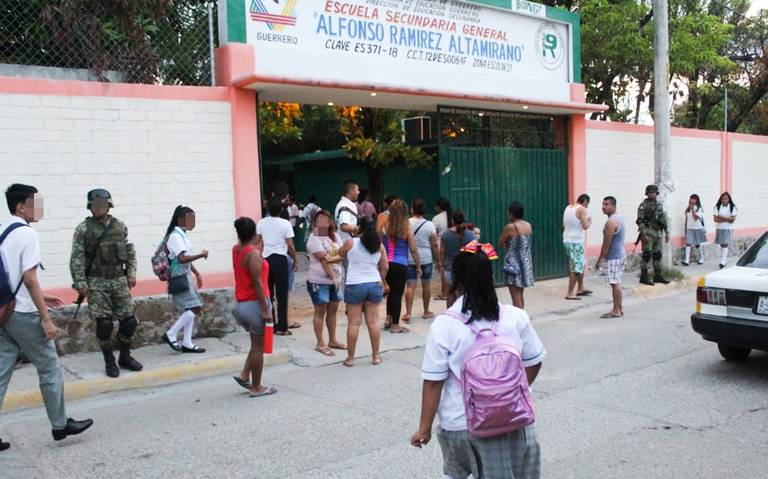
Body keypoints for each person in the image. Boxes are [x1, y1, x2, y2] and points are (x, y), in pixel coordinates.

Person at [410, 245, 545, 479]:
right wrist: (509, 392)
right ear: (490, 277)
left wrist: (424, 428)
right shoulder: (514, 316)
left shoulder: (445, 324)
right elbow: (534, 361)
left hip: (461, 423)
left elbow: (433, 382)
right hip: (513, 416)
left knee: (457, 473)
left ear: (456, 280)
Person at [1, 184, 93, 447]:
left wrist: (43, 296)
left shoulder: (3, 232)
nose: (39, 207)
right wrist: (45, 318)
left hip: (4, 312)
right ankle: (60, 425)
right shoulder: (28, 234)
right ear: (20, 206)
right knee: (50, 366)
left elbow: (11, 277)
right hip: (23, 314)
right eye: (35, 202)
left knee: (2, 370)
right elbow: (29, 279)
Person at [70, 189, 142, 378]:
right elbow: (77, 257)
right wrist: (80, 283)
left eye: (102, 205)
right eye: (95, 205)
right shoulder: (83, 229)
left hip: (119, 280)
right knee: (104, 324)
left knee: (129, 321)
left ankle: (125, 356)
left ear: (109, 205)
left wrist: (131, 273)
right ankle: (109, 360)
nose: (98, 208)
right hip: (96, 282)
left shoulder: (120, 226)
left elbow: (130, 252)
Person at [231, 217, 276, 398]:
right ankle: (256, 387)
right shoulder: (253, 255)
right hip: (255, 305)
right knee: (258, 348)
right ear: (254, 233)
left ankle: (244, 374)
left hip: (241, 304)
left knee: (255, 343)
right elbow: (257, 283)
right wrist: (265, 310)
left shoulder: (237, 250)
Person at [338, 217, 389, 367]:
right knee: (373, 322)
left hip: (354, 284)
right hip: (374, 283)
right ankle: (376, 356)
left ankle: (351, 358)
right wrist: (381, 279)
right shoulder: (379, 245)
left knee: (354, 323)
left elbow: (340, 254)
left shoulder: (350, 243)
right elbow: (385, 266)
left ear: (359, 227)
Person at [163, 206, 209, 353]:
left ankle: (187, 343)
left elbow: (185, 257)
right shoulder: (175, 236)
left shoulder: (181, 234)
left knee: (191, 307)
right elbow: (182, 258)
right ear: (181, 219)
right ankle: (171, 333)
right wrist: (201, 255)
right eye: (190, 218)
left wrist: (195, 272)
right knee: (196, 307)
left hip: (184, 274)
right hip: (179, 276)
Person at [306, 210, 347, 356]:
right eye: (319, 219)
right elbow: (322, 260)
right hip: (320, 280)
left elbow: (343, 253)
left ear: (330, 222)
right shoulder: (314, 238)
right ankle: (320, 343)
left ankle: (333, 340)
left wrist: (334, 260)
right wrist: (333, 277)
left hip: (335, 280)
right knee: (320, 311)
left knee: (333, 310)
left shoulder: (334, 236)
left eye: (325, 219)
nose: (322, 222)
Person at [256, 198, 299, 335]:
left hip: (266, 259)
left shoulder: (261, 222)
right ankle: (282, 327)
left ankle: (270, 324)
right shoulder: (285, 223)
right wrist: (295, 259)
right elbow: (290, 245)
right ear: (281, 209)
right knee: (282, 295)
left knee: (268, 294)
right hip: (281, 259)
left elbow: (257, 240)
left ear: (267, 208)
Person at [382, 199, 421, 333]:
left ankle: (388, 318)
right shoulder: (406, 226)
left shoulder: (385, 224)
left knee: (390, 292)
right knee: (397, 293)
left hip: (386, 263)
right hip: (400, 263)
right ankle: (395, 325)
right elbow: (413, 248)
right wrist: (418, 265)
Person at [404, 198, 439, 322]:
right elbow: (435, 244)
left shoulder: (407, 223)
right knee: (426, 284)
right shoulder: (429, 225)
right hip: (426, 258)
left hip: (410, 257)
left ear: (412, 209)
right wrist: (438, 260)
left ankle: (408, 313)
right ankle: (426, 311)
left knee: (410, 285)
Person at [500, 202, 535, 309]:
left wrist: (508, 245)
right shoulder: (528, 225)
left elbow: (501, 243)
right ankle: (522, 318)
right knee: (520, 294)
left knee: (515, 297)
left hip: (513, 264)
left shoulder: (510, 227)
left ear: (511, 214)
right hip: (525, 262)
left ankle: (518, 321)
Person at [596, 196, 626, 318]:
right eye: (603, 204)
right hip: (620, 254)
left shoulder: (611, 222)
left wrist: (601, 259)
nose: (603, 207)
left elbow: (606, 243)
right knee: (616, 282)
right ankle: (619, 308)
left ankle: (616, 310)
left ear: (613, 206)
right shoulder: (619, 218)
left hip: (614, 256)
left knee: (614, 283)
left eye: (606, 204)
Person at [636, 185, 670, 285]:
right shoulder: (643, 205)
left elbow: (663, 220)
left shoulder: (659, 205)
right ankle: (644, 276)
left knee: (657, 254)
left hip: (657, 233)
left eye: (654, 192)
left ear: (656, 193)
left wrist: (667, 232)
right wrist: (643, 234)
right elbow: (640, 221)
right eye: (650, 192)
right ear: (647, 193)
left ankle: (658, 276)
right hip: (647, 233)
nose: (652, 194)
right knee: (646, 255)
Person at [441, 210, 475, 306]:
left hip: (450, 269)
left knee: (450, 293)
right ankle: (463, 315)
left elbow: (442, 253)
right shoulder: (470, 235)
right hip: (466, 269)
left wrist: (443, 265)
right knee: (464, 294)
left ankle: (450, 316)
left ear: (452, 221)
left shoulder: (445, 235)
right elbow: (474, 252)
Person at [563, 194, 593, 300]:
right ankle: (570, 293)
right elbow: (585, 226)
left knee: (581, 263)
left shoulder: (568, 208)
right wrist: (590, 221)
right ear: (585, 201)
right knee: (576, 267)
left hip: (567, 239)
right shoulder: (581, 210)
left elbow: (564, 225)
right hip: (575, 241)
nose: (587, 207)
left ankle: (581, 288)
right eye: (587, 204)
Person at [433, 198, 452, 300]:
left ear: (439, 207)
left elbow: (433, 234)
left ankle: (444, 292)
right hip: (453, 243)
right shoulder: (451, 215)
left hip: (441, 244)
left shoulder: (436, 218)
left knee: (443, 269)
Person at [713, 192, 738, 269]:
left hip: (728, 229)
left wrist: (721, 217)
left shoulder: (732, 207)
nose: (724, 200)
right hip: (720, 228)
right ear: (721, 199)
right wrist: (727, 218)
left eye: (726, 199)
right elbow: (715, 219)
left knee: (725, 244)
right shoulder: (717, 207)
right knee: (722, 244)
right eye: (723, 198)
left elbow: (732, 220)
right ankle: (724, 259)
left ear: (729, 199)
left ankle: (723, 261)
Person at [683, 194, 706, 266]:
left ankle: (702, 258)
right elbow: (687, 220)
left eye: (694, 198)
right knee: (688, 243)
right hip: (690, 228)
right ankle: (686, 260)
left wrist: (692, 209)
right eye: (691, 198)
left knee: (698, 244)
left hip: (697, 228)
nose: (692, 200)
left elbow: (695, 218)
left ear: (697, 200)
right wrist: (685, 229)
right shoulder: (687, 209)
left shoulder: (699, 209)